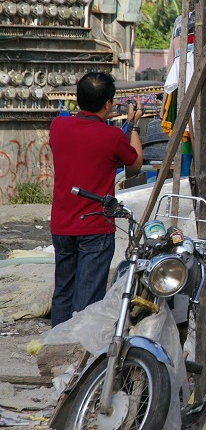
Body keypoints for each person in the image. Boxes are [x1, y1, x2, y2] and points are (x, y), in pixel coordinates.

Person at [49, 72, 144, 327]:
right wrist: (133, 126)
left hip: (62, 224)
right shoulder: (112, 136)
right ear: (108, 104)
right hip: (95, 226)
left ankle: (56, 351)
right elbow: (135, 164)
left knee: (63, 293)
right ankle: (80, 358)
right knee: (88, 299)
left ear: (78, 100)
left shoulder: (58, 126)